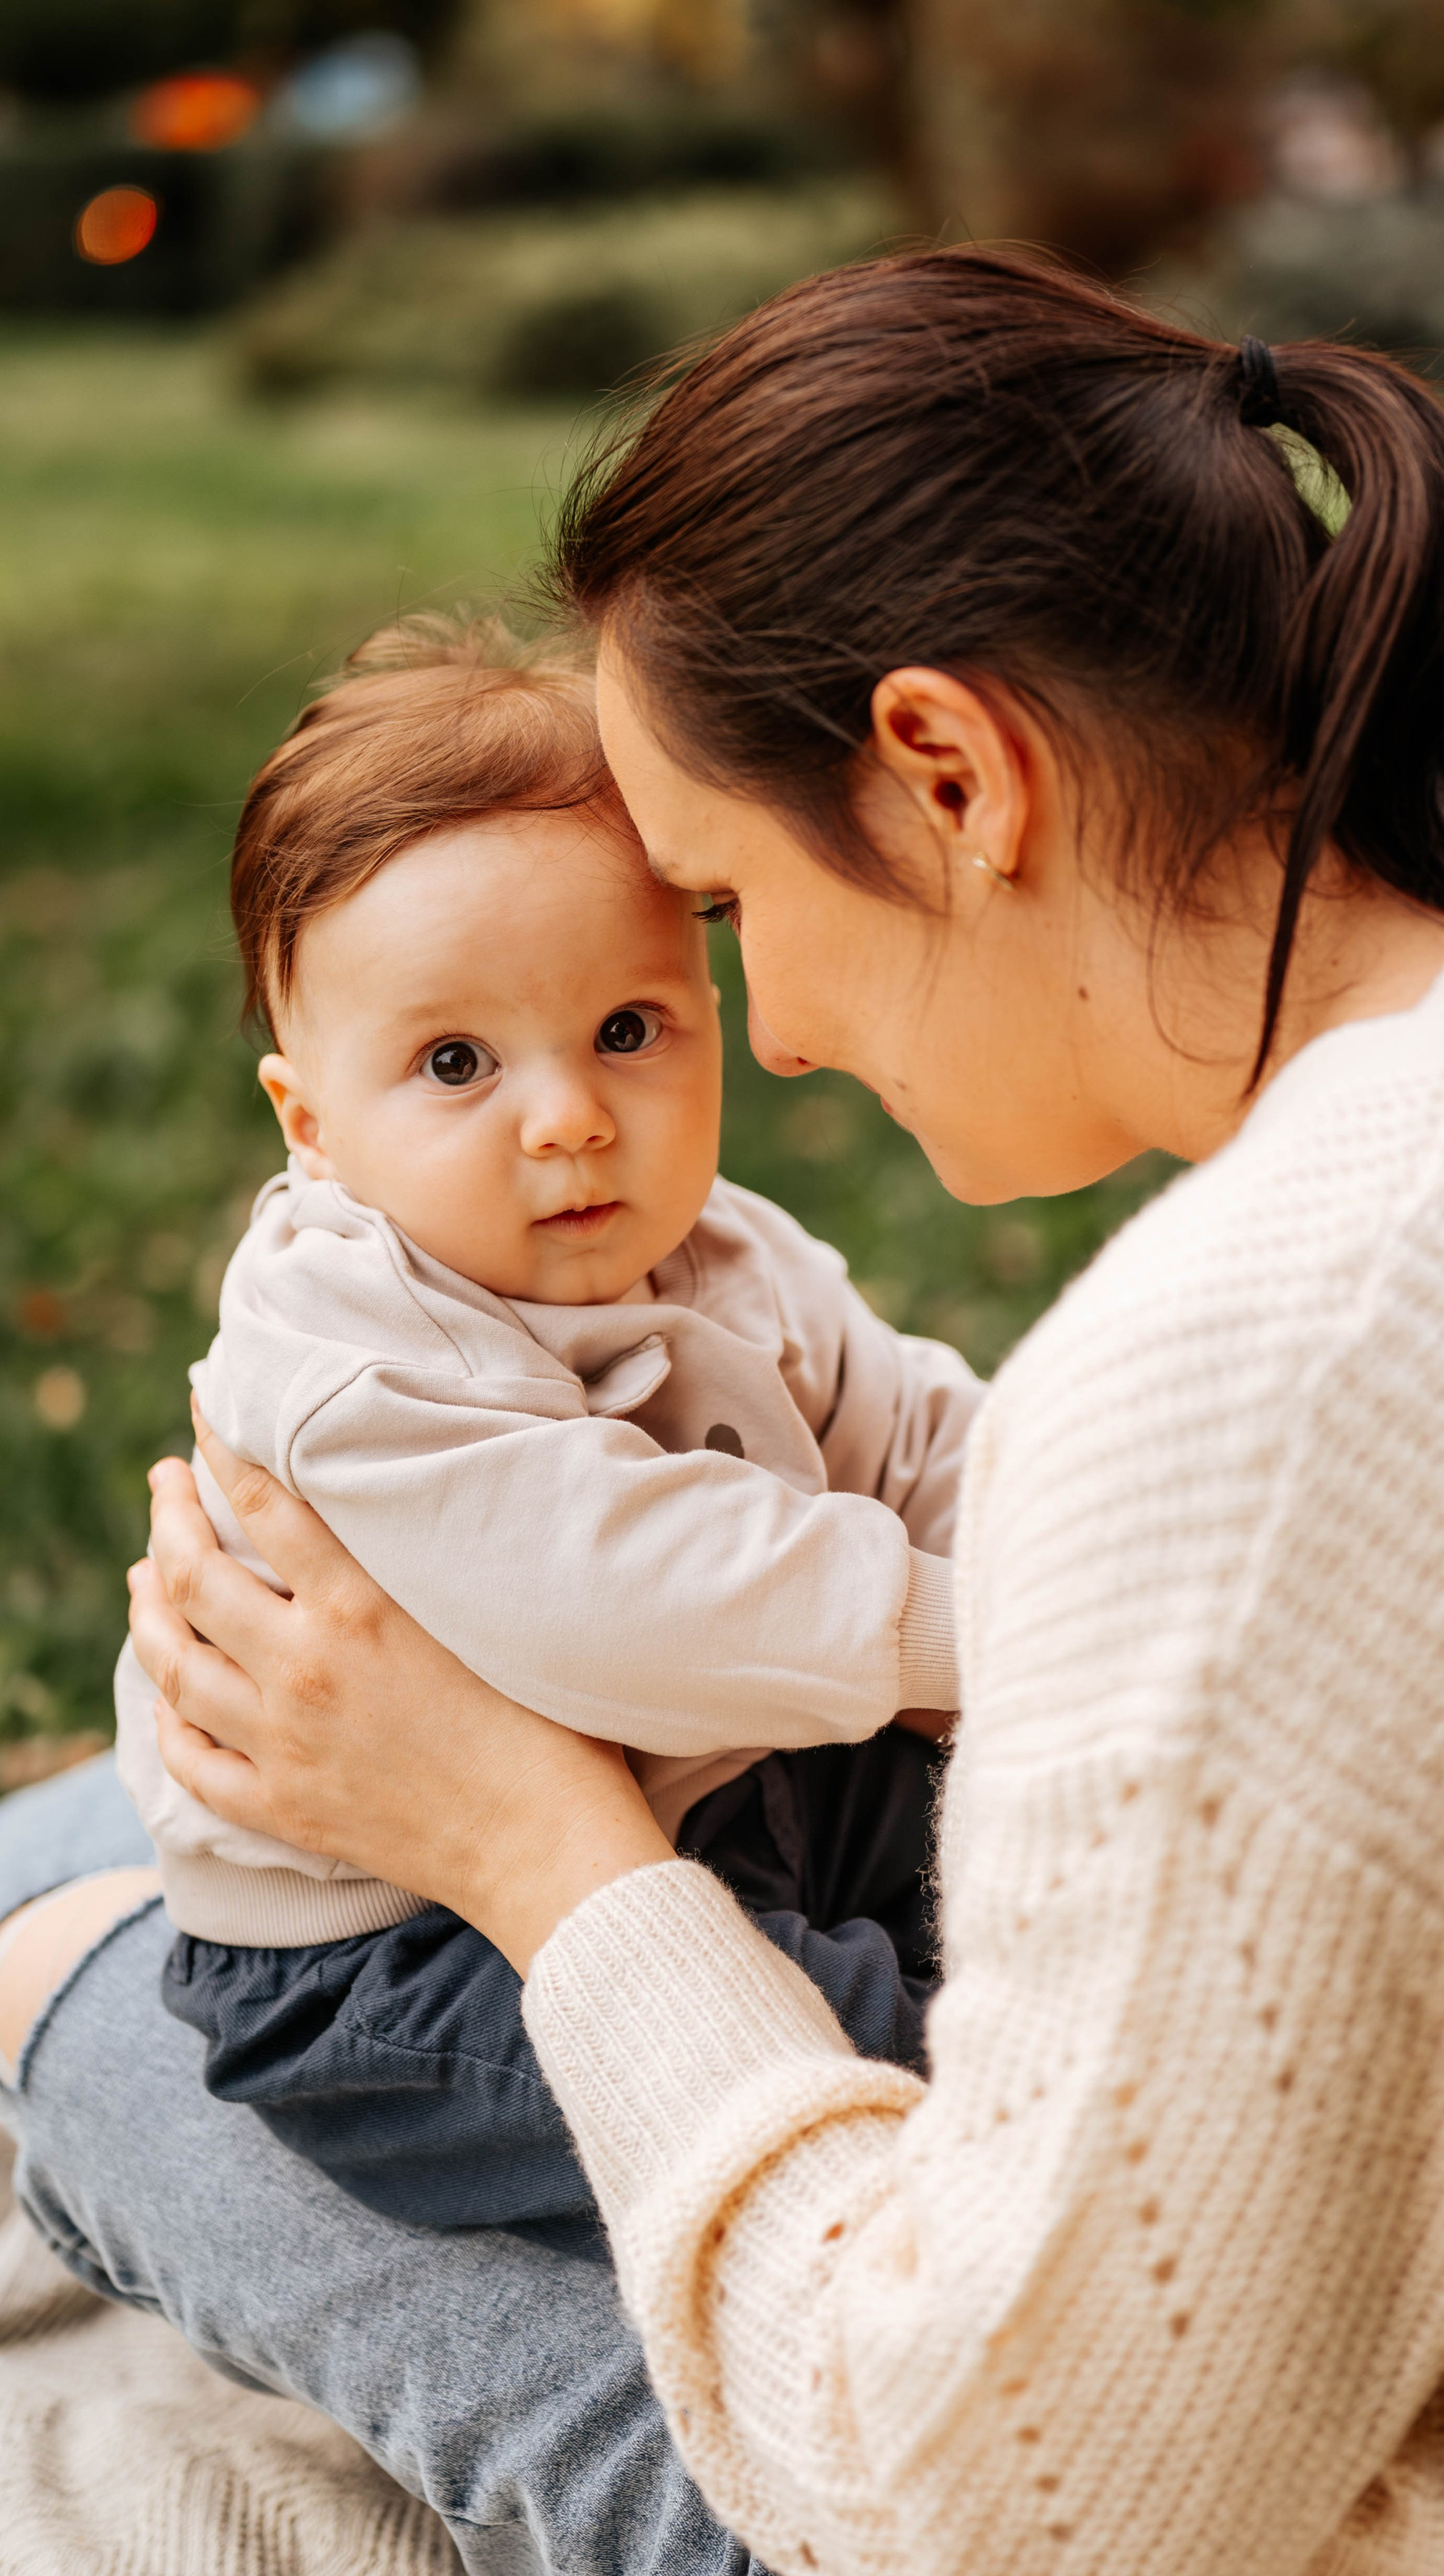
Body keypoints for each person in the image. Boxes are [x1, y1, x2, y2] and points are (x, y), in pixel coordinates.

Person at [7, 248, 1444, 2576]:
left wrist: (552, 1868)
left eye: (722, 920)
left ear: (952, 775)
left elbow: (1031, 2559)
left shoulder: (1257, 1396)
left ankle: (60, 1989)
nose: (757, 1029)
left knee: (123, 2027)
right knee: (173, 1794)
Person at [110, 616, 974, 2228]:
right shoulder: (353, 1357)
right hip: (397, 1956)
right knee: (861, 2055)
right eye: (455, 1061)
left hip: (708, 1781)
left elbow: (903, 1417)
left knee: (998, 1840)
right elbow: (626, 1585)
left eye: (626, 1032)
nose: (569, 1114)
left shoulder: (713, 1247)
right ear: (314, 1124)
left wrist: (1058, 1538)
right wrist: (971, 1633)